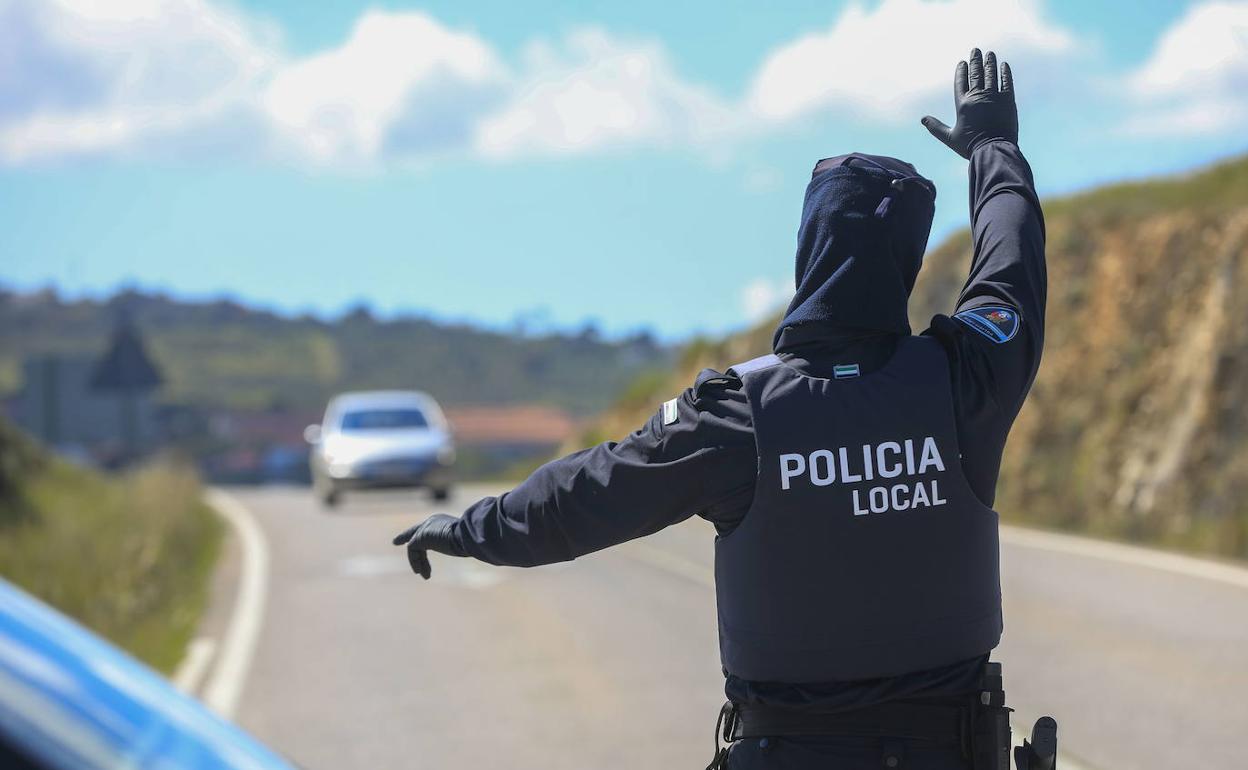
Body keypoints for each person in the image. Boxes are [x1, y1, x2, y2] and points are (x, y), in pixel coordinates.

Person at [394, 48, 1045, 769]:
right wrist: (994, 150)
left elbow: (583, 497)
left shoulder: (737, 415)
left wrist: (468, 528)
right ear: (907, 261)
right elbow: (1010, 260)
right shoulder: (965, 379)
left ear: (808, 249)